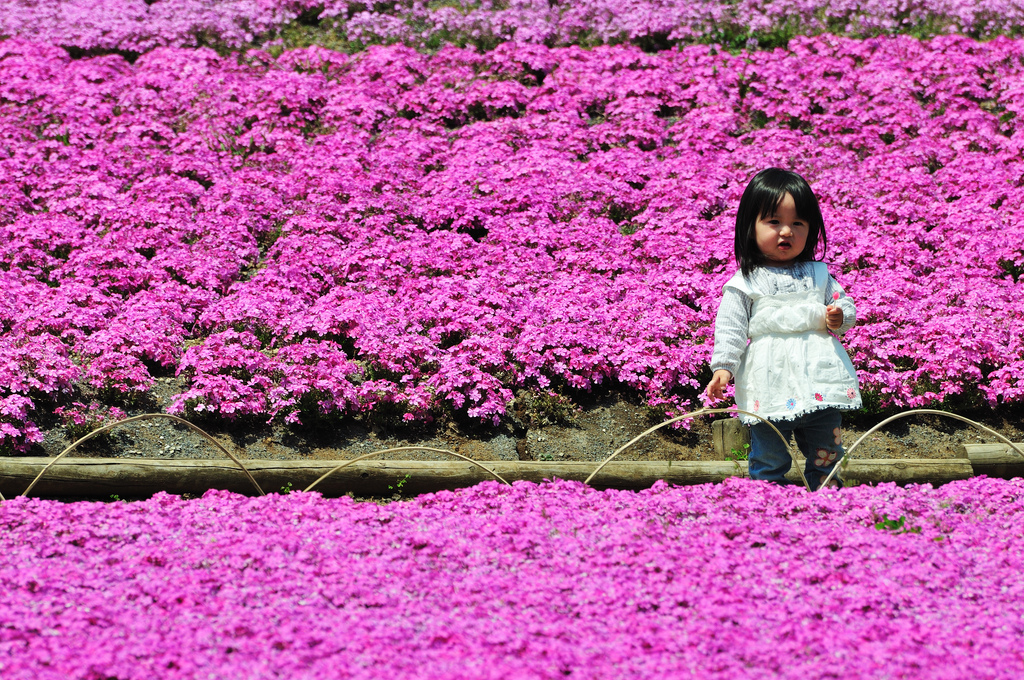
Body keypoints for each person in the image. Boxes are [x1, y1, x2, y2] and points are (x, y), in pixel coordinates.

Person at [705, 167, 861, 490]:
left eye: (798, 224)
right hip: (769, 379)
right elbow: (732, 327)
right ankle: (767, 501)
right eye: (774, 222)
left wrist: (838, 316)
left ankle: (828, 495)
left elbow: (844, 304)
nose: (786, 232)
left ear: (812, 230)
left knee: (826, 451)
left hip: (819, 377)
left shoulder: (818, 275)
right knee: (769, 454)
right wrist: (723, 367)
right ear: (750, 228)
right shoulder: (744, 282)